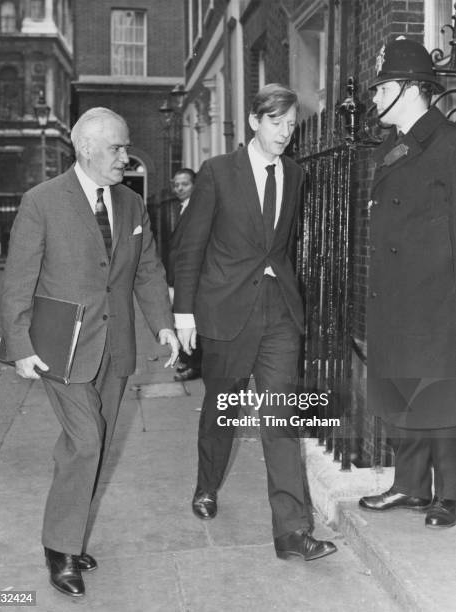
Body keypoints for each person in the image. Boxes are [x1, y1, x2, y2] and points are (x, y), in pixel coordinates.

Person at [0, 107, 179, 597]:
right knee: (85, 441)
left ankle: (71, 532)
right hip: (63, 347)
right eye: (117, 148)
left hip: (116, 346)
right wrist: (19, 345)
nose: (126, 157)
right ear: (85, 148)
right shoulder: (42, 202)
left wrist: (163, 327)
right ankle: (59, 548)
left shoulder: (132, 205)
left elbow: (147, 271)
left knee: (92, 443)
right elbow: (19, 280)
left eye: (125, 147)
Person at [173, 83, 337, 561]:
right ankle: (207, 484)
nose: (285, 133)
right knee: (221, 410)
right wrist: (184, 310)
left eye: (291, 124)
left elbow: (280, 246)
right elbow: (190, 248)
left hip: (279, 310)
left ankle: (291, 533)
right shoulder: (218, 173)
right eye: (275, 122)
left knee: (280, 416)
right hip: (227, 310)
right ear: (253, 121)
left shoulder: (297, 174)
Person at [358, 37, 456, 529]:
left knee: (440, 393)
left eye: (382, 89)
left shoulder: (449, 144)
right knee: (403, 387)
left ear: (410, 90)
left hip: (438, 298)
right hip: (397, 297)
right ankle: (411, 485)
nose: (374, 100)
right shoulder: (394, 147)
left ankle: (451, 493)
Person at [166, 168, 202, 382]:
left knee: (192, 320)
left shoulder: (196, 211)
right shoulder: (182, 208)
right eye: (176, 185)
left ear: (195, 185)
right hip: (179, 277)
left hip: (191, 279)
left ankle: (195, 365)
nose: (179, 188)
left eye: (185, 184)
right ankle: (189, 361)